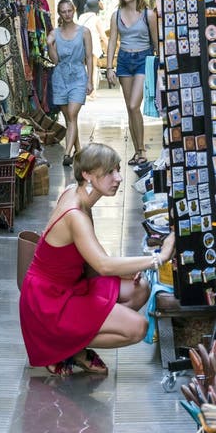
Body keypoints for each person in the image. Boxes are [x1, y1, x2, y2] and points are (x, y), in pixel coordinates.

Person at [19, 143, 175, 377]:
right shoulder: (75, 215)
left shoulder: (76, 191)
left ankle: (71, 344)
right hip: (49, 302)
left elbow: (93, 257)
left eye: (118, 169)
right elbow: (103, 265)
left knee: (139, 288)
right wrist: (159, 258)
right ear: (88, 175)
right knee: (138, 327)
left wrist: (124, 270)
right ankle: (63, 346)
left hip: (69, 285)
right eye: (110, 172)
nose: (119, 178)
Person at [106, 0, 158, 167]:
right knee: (130, 108)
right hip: (124, 61)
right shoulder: (116, 15)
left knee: (135, 105)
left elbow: (156, 41)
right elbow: (112, 40)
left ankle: (142, 149)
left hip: (143, 60)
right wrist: (109, 67)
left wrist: (160, 68)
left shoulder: (148, 15)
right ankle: (137, 151)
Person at [47, 0, 93, 166]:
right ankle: (78, 149)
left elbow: (89, 57)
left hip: (78, 77)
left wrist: (89, 81)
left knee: (72, 114)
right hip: (60, 77)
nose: (67, 14)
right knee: (69, 118)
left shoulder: (84, 31)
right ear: (59, 13)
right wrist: (50, 45)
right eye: (63, 11)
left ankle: (67, 154)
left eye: (69, 10)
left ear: (74, 10)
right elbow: (55, 61)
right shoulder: (54, 34)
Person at [79, 0, 109, 99]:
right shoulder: (96, 19)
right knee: (93, 69)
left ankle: (83, 91)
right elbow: (103, 36)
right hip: (93, 45)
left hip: (82, 45)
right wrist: (109, 48)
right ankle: (92, 92)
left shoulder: (81, 17)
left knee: (83, 69)